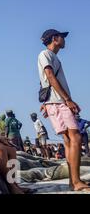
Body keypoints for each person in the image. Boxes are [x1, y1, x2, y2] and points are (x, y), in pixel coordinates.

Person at [38, 29, 90, 191]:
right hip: (59, 102)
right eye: (62, 37)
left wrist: (45, 102)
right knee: (75, 137)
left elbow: (45, 80)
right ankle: (75, 181)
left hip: (53, 102)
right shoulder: (45, 54)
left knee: (68, 140)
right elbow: (49, 76)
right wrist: (67, 99)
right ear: (55, 38)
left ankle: (73, 181)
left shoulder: (52, 57)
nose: (64, 40)